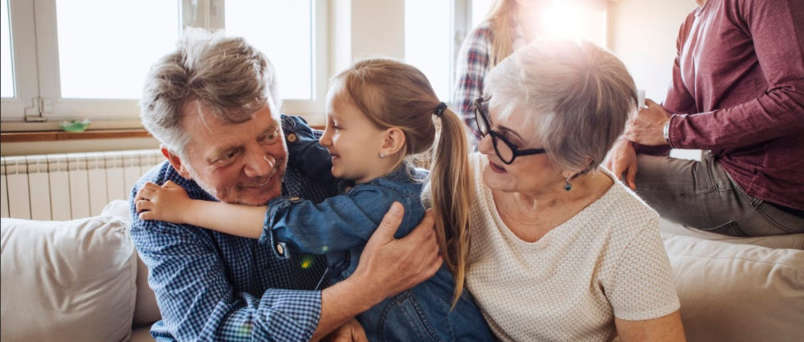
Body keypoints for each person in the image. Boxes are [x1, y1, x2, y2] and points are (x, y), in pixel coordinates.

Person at [135, 58, 494, 341]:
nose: (262, 166)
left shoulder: (316, 153)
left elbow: (313, 228)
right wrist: (357, 296)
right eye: (229, 154)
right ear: (179, 160)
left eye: (268, 134)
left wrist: (342, 314)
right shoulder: (158, 205)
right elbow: (214, 334)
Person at [456, 40, 686, 341]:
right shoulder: (466, 178)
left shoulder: (627, 231)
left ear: (575, 162)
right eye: (488, 120)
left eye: (509, 142)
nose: (485, 146)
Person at [606, 0, 804, 236]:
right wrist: (628, 142)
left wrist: (671, 130)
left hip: (771, 194)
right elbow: (668, 115)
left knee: (597, 178)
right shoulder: (690, 25)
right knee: (603, 163)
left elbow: (796, 97)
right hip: (725, 171)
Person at [453, 0, 550, 143]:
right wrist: (502, 149)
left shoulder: (544, 42)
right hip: (494, 156)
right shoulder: (484, 36)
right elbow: (467, 113)